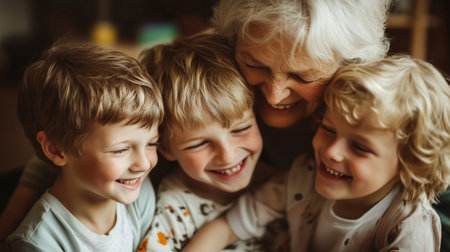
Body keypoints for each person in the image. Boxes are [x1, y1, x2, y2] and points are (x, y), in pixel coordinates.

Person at [183, 55, 450, 252]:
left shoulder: (407, 228)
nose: (332, 151)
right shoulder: (304, 175)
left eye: (359, 147)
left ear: (411, 163)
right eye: (328, 129)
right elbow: (227, 226)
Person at [5, 42, 164, 251]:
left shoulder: (141, 195)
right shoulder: (38, 244)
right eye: (120, 150)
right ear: (56, 150)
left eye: (151, 143)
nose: (143, 164)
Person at [136, 31, 265, 252]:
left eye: (241, 129)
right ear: (164, 148)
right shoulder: (171, 211)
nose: (228, 155)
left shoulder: (280, 181)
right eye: (198, 144)